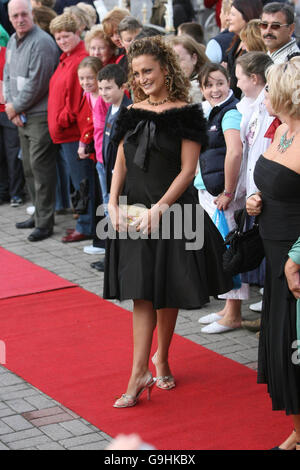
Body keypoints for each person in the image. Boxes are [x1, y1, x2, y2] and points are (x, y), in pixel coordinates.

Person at [103, 36, 232, 407]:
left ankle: (162, 357)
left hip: (174, 211)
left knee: (167, 289)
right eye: (137, 72)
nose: (142, 78)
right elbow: (122, 162)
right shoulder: (131, 110)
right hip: (134, 211)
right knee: (142, 291)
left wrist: (161, 207)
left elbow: (188, 170)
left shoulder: (187, 113)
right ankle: (139, 371)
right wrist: (111, 201)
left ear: (165, 70)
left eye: (149, 71)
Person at [246, 56, 300, 451]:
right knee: (283, 351)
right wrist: (256, 197)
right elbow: (273, 179)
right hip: (275, 257)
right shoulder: (282, 130)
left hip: (296, 262)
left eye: (268, 88)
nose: (262, 94)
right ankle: (299, 431)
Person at [195, 63, 247, 334]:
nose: (214, 90)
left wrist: (228, 191)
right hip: (209, 191)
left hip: (222, 195)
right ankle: (228, 307)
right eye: (208, 85)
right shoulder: (211, 110)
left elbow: (235, 153)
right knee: (221, 250)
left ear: (229, 83)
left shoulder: (230, 113)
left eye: (219, 83)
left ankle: (234, 314)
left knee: (230, 250)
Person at [4, 0, 59, 242]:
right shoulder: (15, 40)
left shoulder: (42, 42)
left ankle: (45, 222)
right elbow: (7, 74)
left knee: (41, 169)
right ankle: (37, 215)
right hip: (20, 115)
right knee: (28, 168)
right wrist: (12, 107)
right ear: (9, 17)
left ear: (32, 14)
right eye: (15, 15)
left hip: (38, 116)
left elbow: (38, 82)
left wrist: (15, 106)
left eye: (23, 14)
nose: (19, 19)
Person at [48, 12, 95, 243]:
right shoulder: (66, 57)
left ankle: (86, 225)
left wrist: (62, 119)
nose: (62, 41)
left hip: (73, 133)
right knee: (79, 183)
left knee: (83, 182)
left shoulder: (80, 60)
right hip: (64, 133)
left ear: (78, 33)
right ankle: (83, 222)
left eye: (66, 36)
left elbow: (80, 100)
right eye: (58, 38)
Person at [92, 63, 132, 272]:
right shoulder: (111, 108)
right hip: (107, 169)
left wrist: (118, 170)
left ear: (122, 87)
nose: (103, 93)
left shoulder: (127, 110)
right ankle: (113, 257)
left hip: (119, 173)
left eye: (108, 88)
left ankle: (118, 259)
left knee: (119, 214)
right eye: (101, 88)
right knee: (110, 213)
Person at [0, 43, 24, 208]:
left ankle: (16, 193)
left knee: (13, 152)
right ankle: (2, 192)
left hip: (8, 109)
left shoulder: (6, 53)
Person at [226, 0, 264, 98]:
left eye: (232, 14)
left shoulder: (255, 47)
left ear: (246, 15)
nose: (227, 18)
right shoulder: (235, 41)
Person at [166, 34, 209, 103]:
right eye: (171, 62)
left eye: (179, 60)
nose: (174, 67)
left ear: (194, 58)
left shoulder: (196, 88)